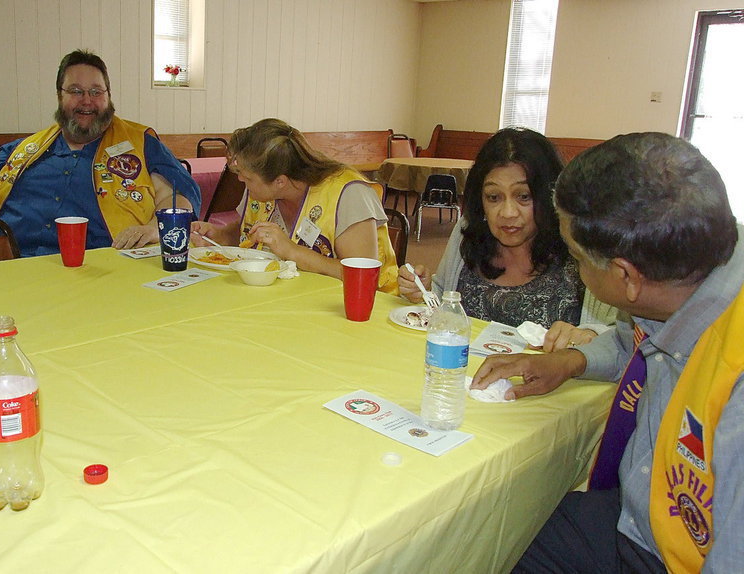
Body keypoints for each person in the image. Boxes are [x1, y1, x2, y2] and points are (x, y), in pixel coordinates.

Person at [471, 132, 743, 572]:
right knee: (496, 531)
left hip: (675, 558)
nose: (576, 269)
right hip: (637, 516)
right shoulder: (683, 276)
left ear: (626, 277)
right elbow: (631, 340)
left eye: (578, 258)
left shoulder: (737, 384)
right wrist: (570, 361)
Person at [0, 49, 200, 256]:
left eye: (96, 92)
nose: (87, 101)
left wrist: (152, 229)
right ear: (59, 96)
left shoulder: (142, 145)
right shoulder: (20, 151)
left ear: (108, 96)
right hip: (11, 265)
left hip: (103, 269)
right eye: (75, 91)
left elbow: (176, 198)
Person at [398, 128, 616, 351]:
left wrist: (589, 335)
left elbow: (624, 336)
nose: (508, 212)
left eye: (524, 196)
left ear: (549, 196)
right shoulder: (468, 232)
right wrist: (422, 290)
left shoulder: (578, 247)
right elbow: (445, 298)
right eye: (494, 197)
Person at [191, 118, 399, 293]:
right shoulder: (263, 189)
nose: (240, 182)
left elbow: (362, 275)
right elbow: (249, 234)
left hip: (359, 309)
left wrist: (292, 251)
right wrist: (220, 236)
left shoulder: (348, 193)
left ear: (280, 181)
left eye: (247, 178)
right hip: (293, 296)